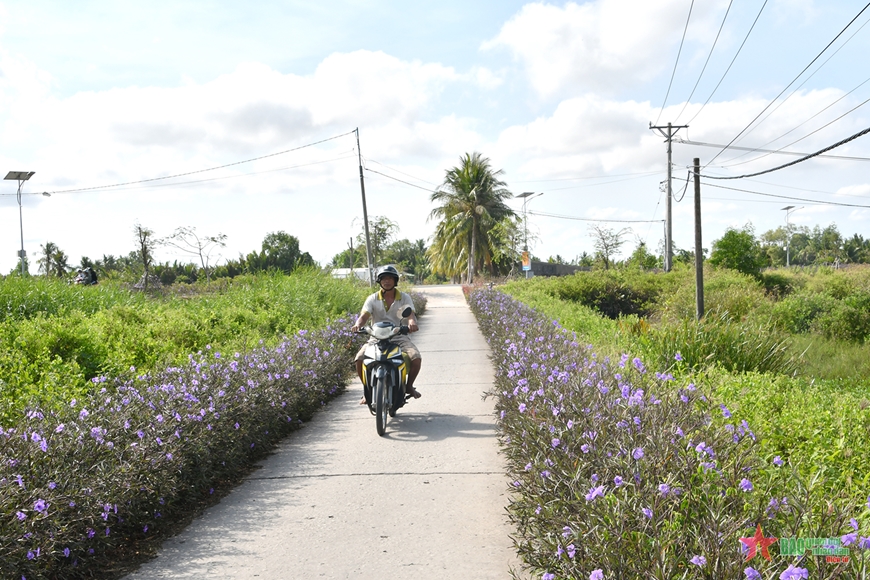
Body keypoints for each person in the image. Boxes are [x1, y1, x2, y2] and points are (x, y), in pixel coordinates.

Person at [351, 265, 422, 402]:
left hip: (399, 336)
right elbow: (364, 316)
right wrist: (357, 325)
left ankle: (409, 386)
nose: (387, 281)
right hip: (376, 337)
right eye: (383, 278)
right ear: (380, 281)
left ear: (395, 281)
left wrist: (412, 323)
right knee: (359, 359)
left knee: (416, 358)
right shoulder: (372, 299)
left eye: (390, 278)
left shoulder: (404, 298)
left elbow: (410, 315)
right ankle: (367, 390)